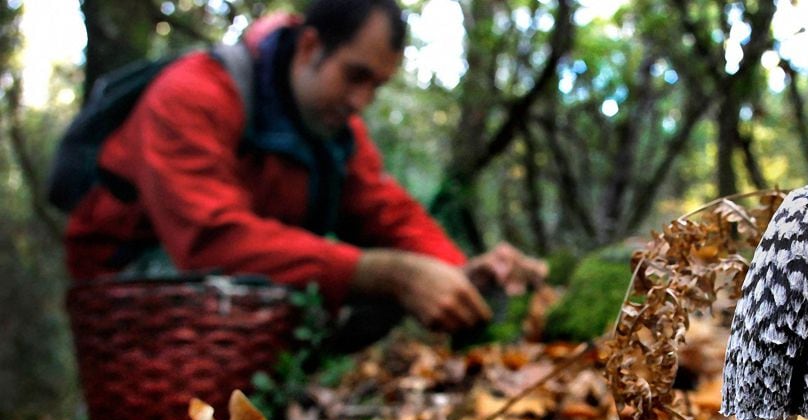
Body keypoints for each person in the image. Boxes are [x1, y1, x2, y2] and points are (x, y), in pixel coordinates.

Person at [63, 0, 546, 340]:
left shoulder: (336, 133)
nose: (362, 102)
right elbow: (210, 240)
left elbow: (386, 213)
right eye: (355, 76)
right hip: (135, 304)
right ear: (311, 47)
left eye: (376, 86)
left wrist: (460, 272)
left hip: (237, 304)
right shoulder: (192, 95)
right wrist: (386, 274)